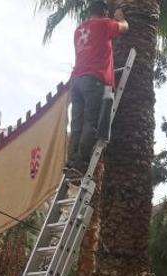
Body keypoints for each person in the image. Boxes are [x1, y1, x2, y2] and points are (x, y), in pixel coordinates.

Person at [64, 0, 129, 179]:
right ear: (104, 12)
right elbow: (124, 27)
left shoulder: (78, 30)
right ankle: (81, 164)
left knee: (76, 123)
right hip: (93, 80)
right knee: (90, 123)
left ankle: (71, 161)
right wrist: (120, 17)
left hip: (77, 80)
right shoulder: (104, 24)